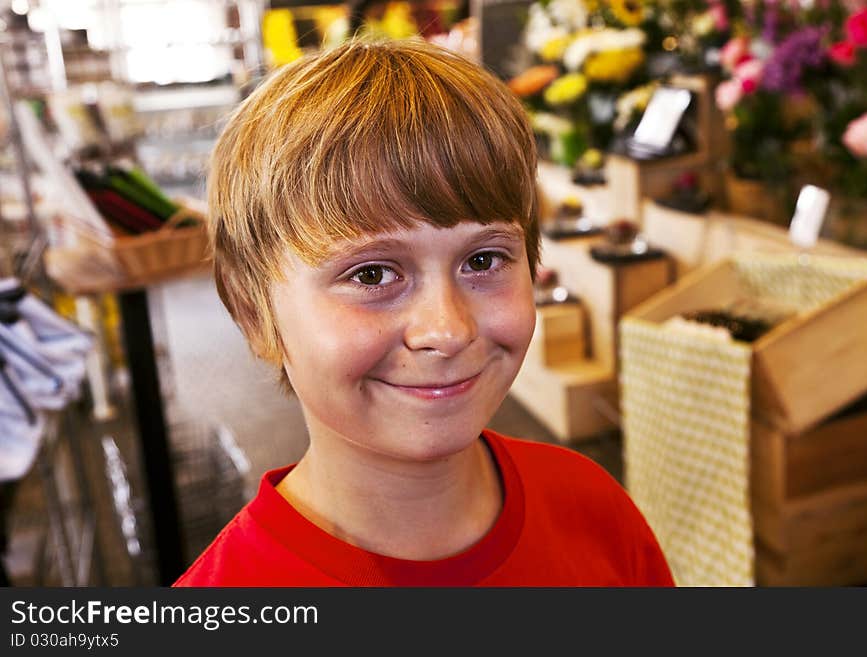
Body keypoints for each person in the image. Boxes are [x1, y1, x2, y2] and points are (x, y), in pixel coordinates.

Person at [174, 38, 674, 587]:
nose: (447, 330)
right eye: (372, 275)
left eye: (482, 260)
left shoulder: (593, 507)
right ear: (253, 313)